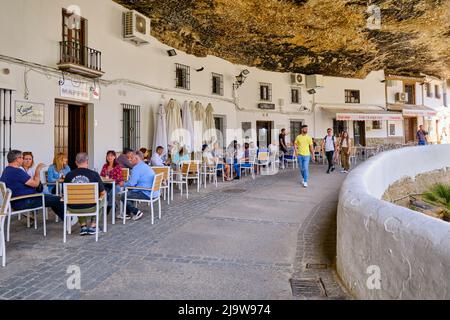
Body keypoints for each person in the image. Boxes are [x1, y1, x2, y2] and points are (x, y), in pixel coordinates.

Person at [0, 150, 64, 220]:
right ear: (17, 159)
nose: (23, 160)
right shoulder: (17, 171)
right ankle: (69, 220)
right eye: (22, 158)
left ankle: (67, 220)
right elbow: (36, 184)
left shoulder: (6, 170)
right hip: (25, 201)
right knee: (59, 199)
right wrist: (38, 170)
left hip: (16, 202)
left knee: (53, 199)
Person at [64, 153, 106, 236]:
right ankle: (93, 226)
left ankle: (83, 227)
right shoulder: (94, 174)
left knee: (78, 199)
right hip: (90, 208)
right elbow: (102, 192)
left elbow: (65, 194)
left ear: (76, 162)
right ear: (87, 162)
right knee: (103, 197)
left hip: (73, 208)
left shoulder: (68, 175)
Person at [119, 151, 158, 221]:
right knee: (130, 192)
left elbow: (131, 183)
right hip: (154, 192)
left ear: (136, 158)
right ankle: (127, 213)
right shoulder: (145, 166)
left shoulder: (136, 168)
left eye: (131, 158)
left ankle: (137, 212)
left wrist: (123, 184)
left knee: (123, 196)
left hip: (146, 192)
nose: (130, 159)